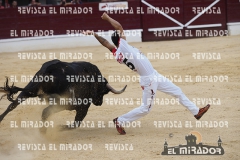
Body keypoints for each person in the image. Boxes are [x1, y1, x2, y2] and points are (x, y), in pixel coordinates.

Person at [82, 12, 210, 135]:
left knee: (177, 91)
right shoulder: (124, 47)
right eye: (121, 36)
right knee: (145, 109)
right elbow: (119, 27)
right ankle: (120, 120)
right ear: (120, 40)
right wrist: (108, 18)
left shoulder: (118, 53)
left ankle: (196, 111)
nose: (124, 35)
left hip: (154, 75)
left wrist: (94, 33)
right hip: (149, 80)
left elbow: (106, 44)